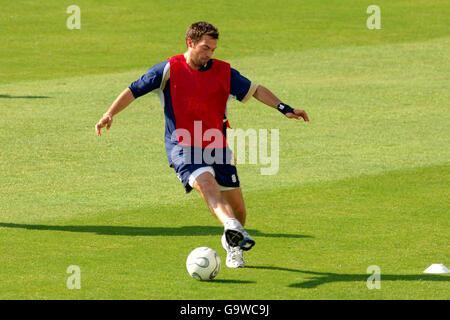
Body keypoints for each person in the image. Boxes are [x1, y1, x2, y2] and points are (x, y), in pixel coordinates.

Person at [96, 22, 309, 268]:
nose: (209, 54)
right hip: (182, 144)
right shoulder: (167, 70)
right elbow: (133, 90)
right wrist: (110, 113)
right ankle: (230, 227)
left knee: (238, 209)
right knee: (206, 183)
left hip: (217, 145)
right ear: (190, 43)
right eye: (205, 48)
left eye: (213, 49)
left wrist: (286, 109)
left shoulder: (224, 72)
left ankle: (232, 240)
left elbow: (256, 90)